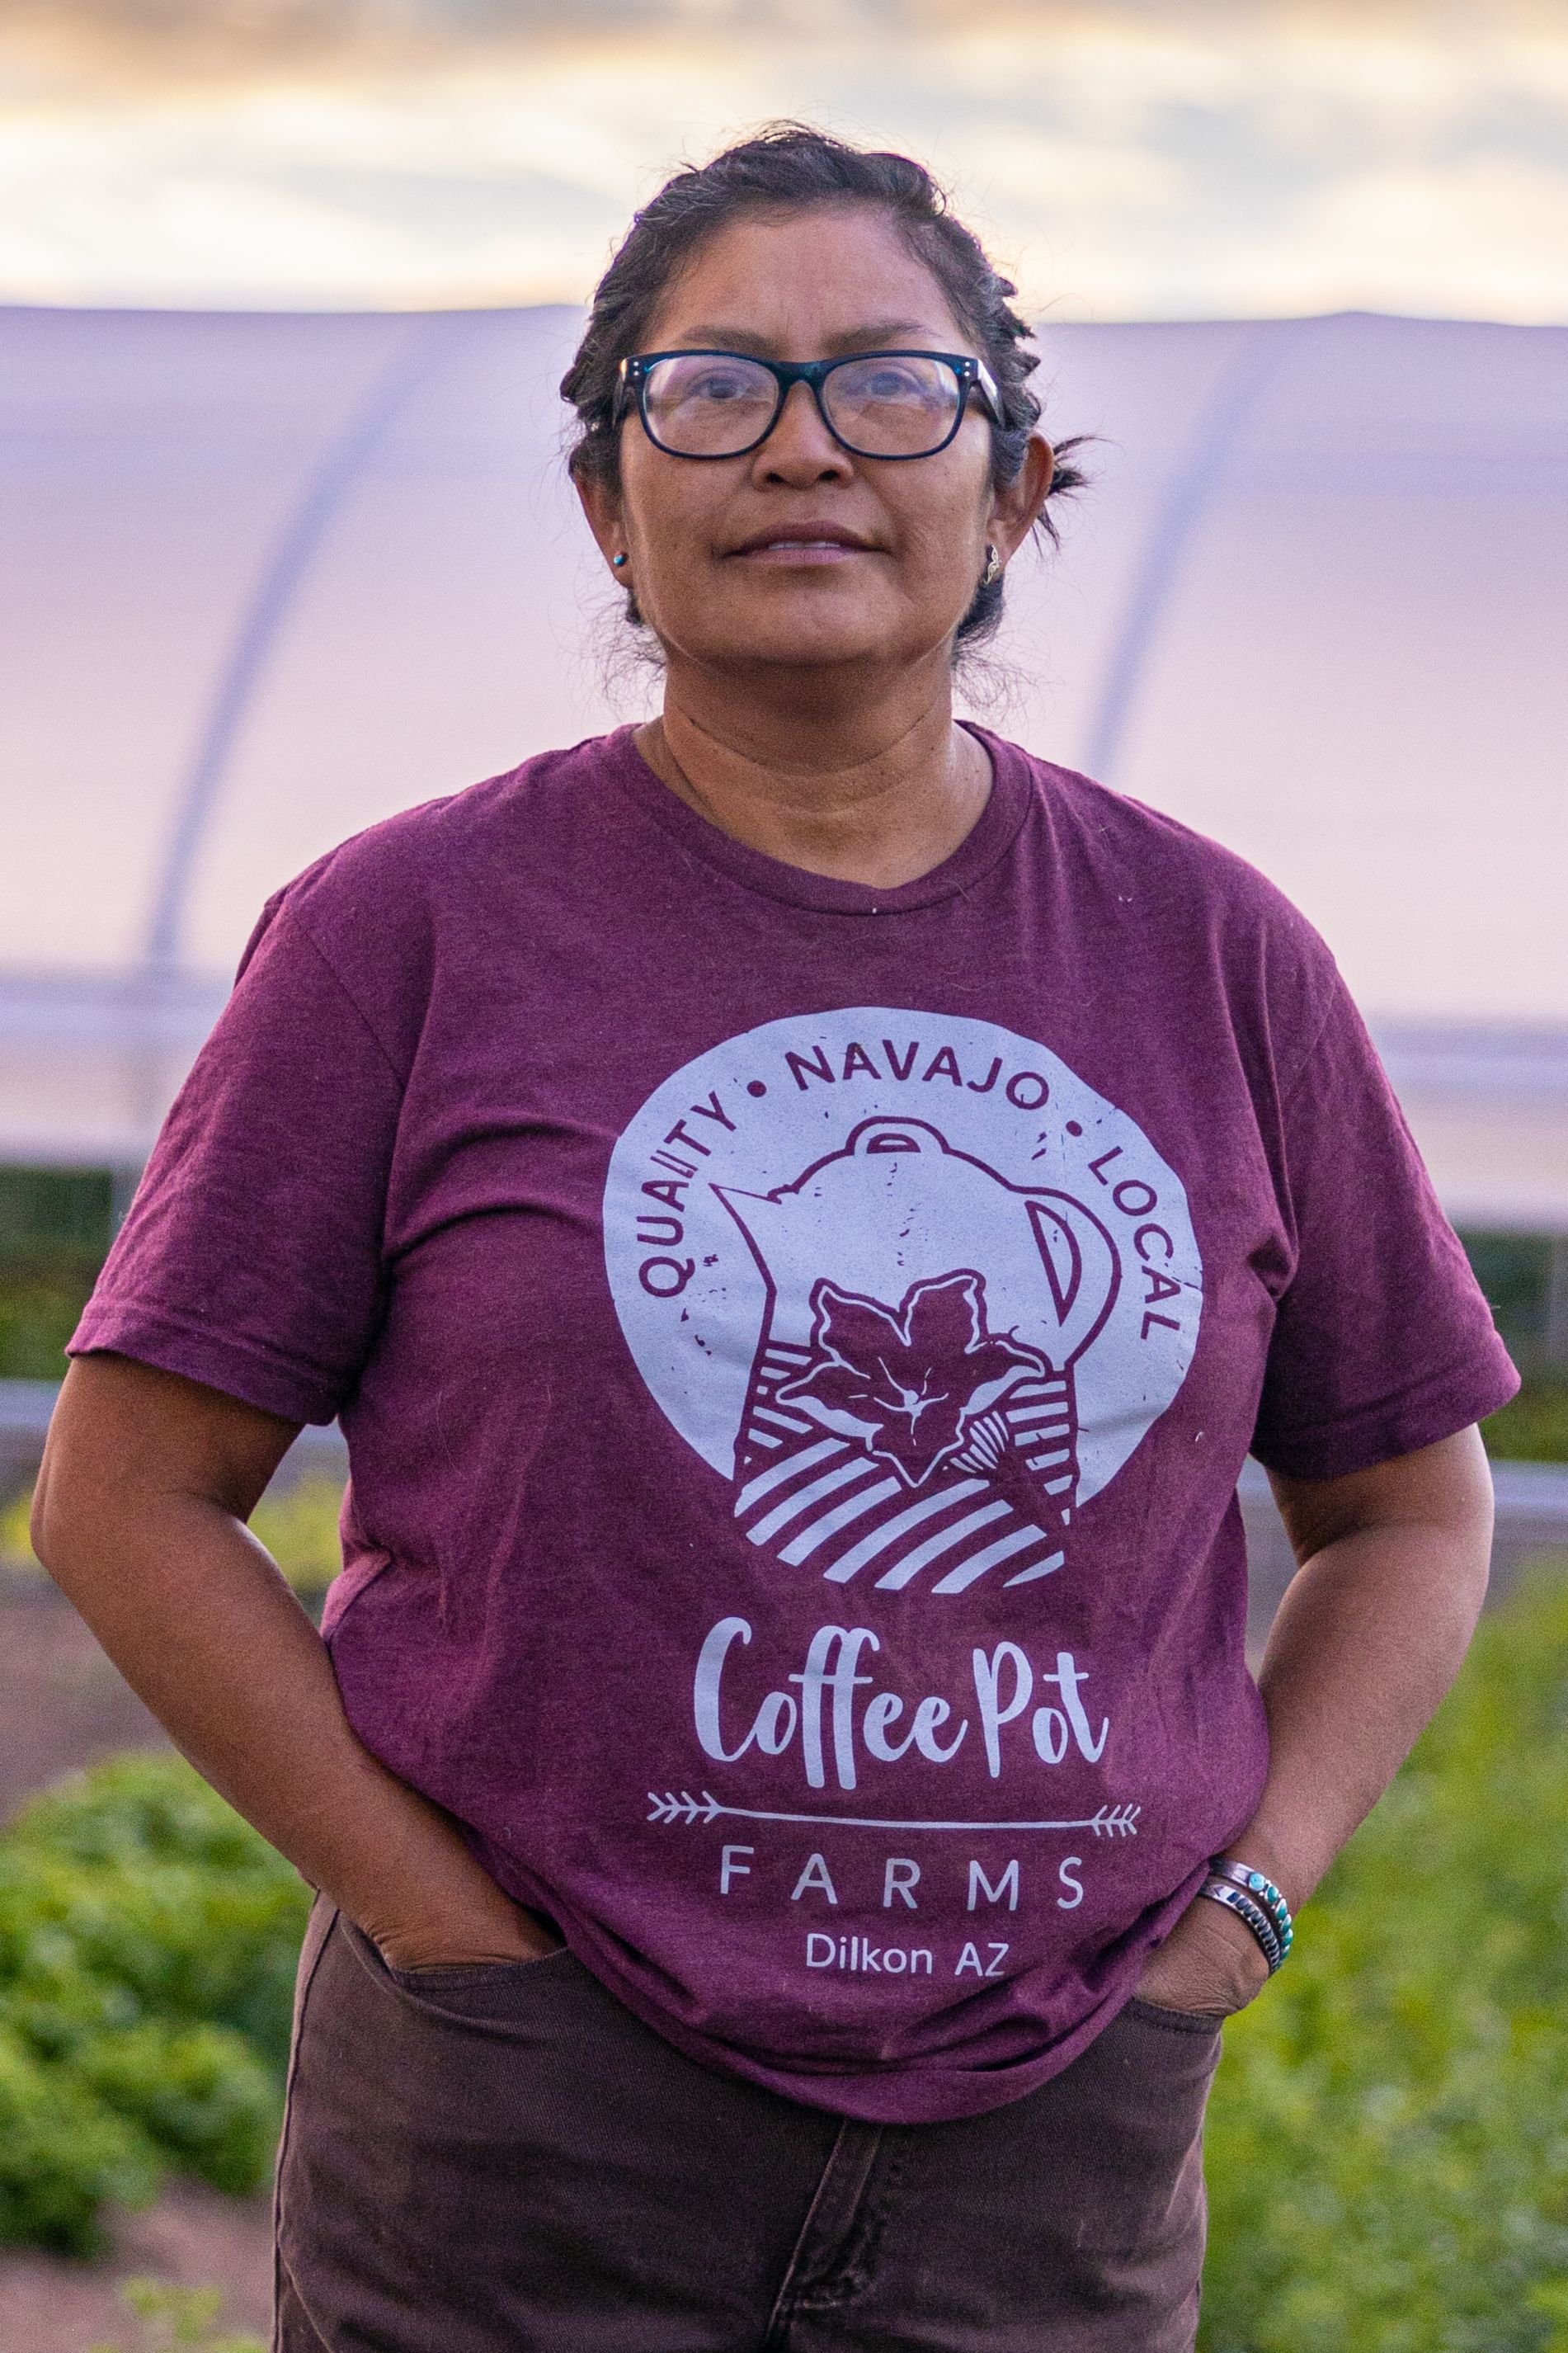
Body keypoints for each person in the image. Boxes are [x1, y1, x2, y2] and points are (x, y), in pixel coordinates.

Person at [34, 125, 1514, 2352]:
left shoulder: (1213, 953)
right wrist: (444, 1931)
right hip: (533, 2126)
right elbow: (124, 1495)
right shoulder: (409, 931)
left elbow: (1409, 1501)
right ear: (606, 495)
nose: (803, 446)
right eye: (711, 387)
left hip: (1050, 2147)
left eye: (890, 389)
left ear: (1013, 489)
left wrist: (1237, 1918)